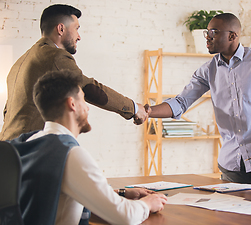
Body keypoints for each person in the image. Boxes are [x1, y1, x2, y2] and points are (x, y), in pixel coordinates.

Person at [9, 70, 167, 225]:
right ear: (72, 104)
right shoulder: (70, 155)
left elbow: (55, 192)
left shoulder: (29, 143)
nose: (88, 107)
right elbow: (123, 215)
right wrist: (147, 204)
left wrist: (121, 193)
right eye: (83, 99)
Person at [146, 13, 251, 188]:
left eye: (213, 32)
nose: (207, 38)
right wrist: (148, 111)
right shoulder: (207, 71)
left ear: (232, 35)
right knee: (229, 213)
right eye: (207, 32)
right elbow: (180, 103)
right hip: (231, 160)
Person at [0, 4, 148, 141]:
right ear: (61, 29)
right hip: (26, 151)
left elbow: (8, 111)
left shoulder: (21, 61)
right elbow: (89, 88)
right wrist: (133, 108)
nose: (79, 36)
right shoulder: (55, 56)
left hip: (8, 148)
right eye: (76, 28)